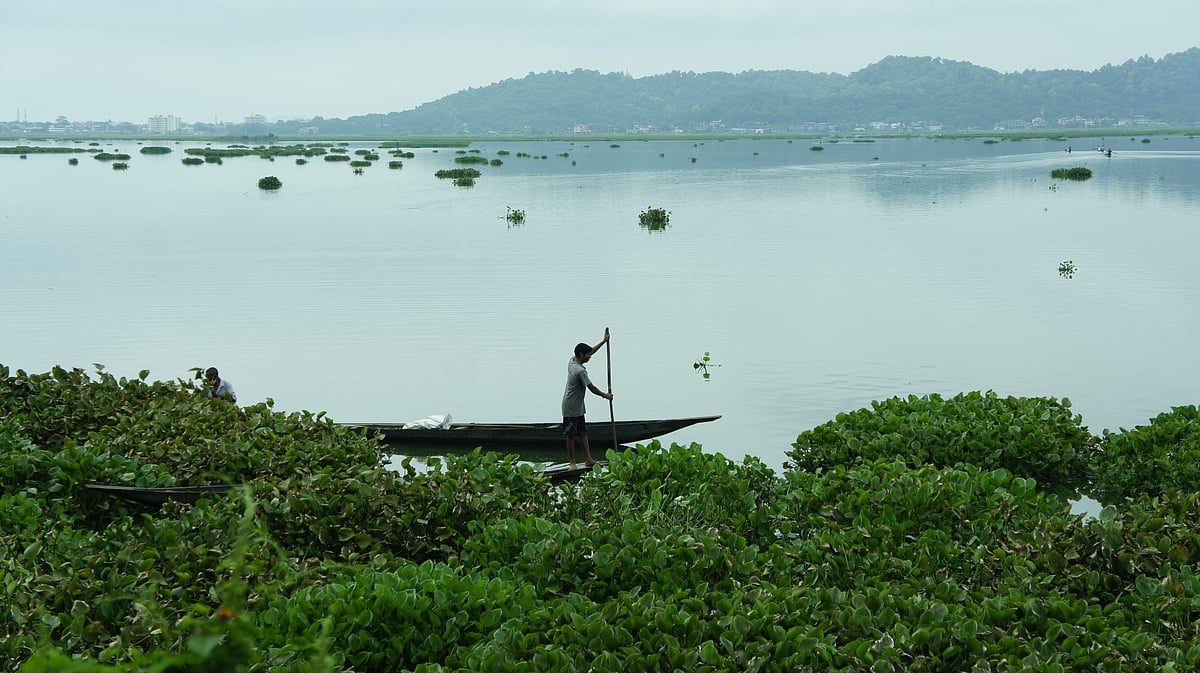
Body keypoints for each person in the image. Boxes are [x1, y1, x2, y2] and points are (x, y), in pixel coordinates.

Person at [561, 329, 613, 469]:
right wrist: (605, 396)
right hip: (570, 408)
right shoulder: (580, 371)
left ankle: (588, 459)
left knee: (583, 432)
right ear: (580, 355)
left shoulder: (572, 360)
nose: (590, 356)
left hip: (578, 407)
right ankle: (572, 463)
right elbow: (592, 388)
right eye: (587, 355)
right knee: (570, 435)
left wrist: (603, 341)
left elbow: (591, 351)